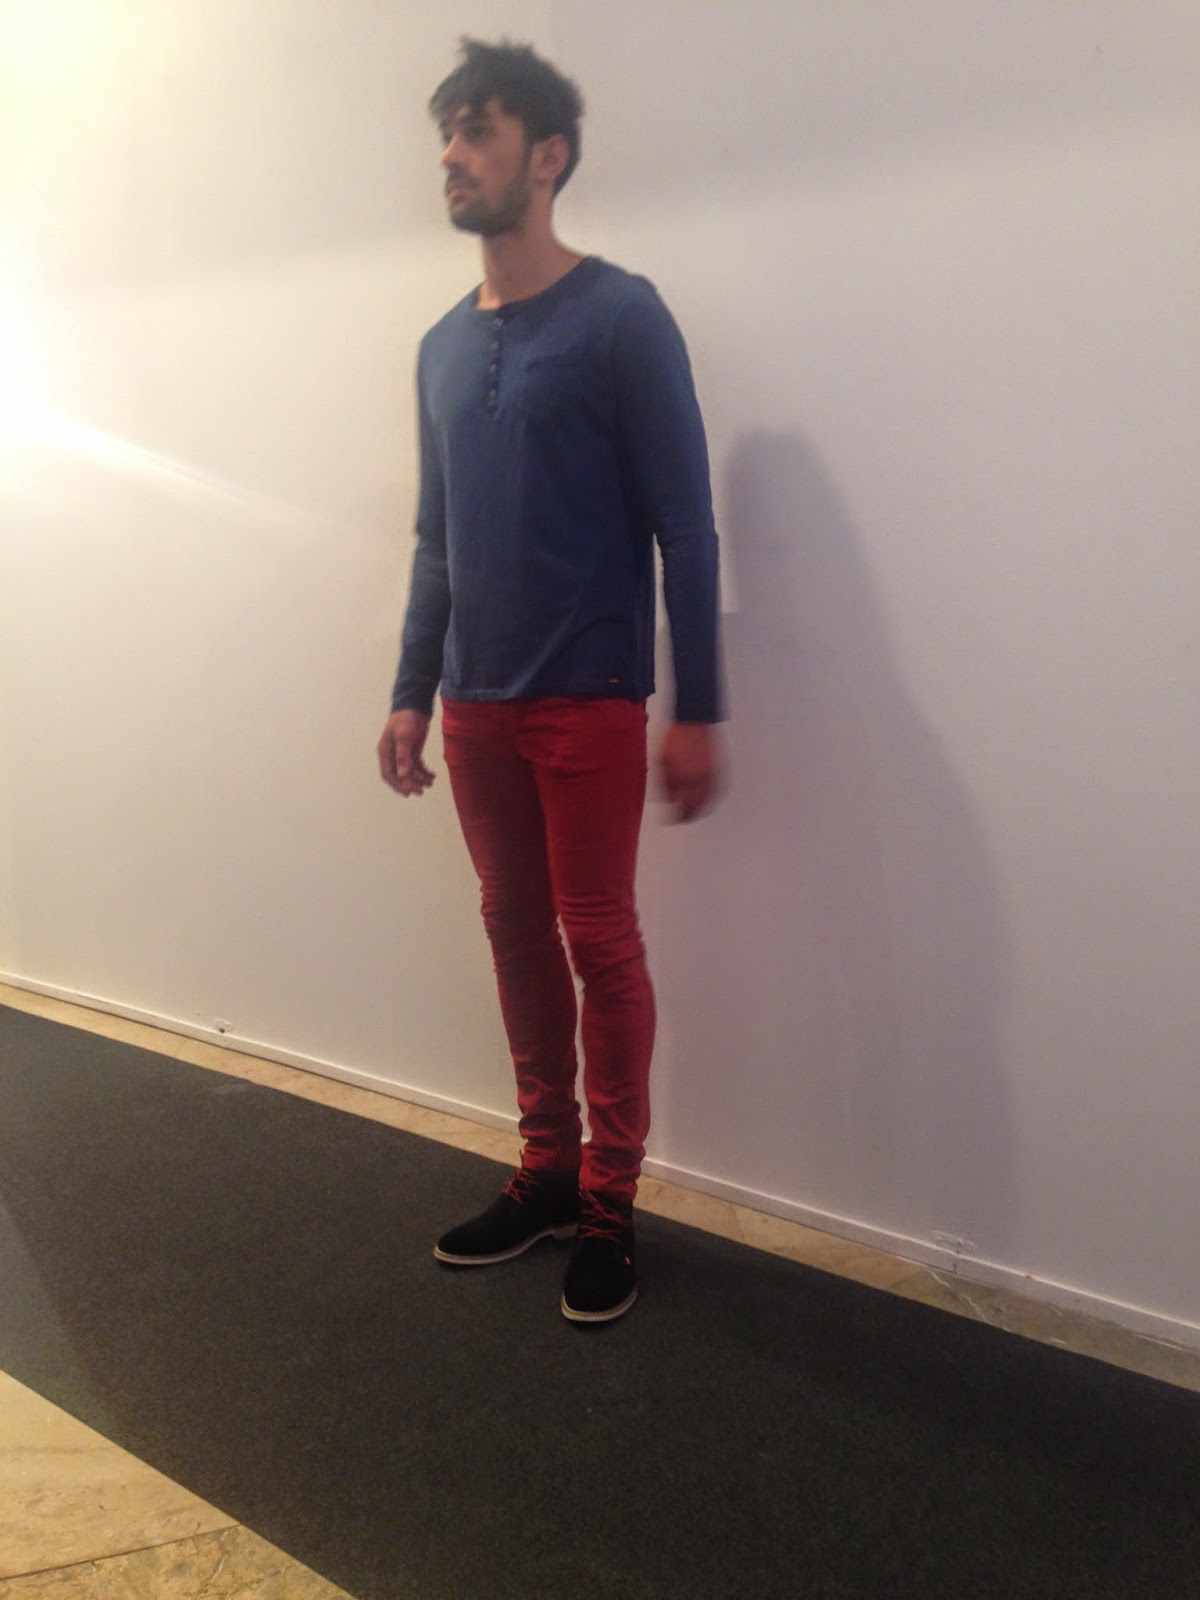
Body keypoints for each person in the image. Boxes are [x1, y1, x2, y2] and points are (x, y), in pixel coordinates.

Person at [377, 37, 724, 1325]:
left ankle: (611, 1203)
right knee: (513, 931)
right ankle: (545, 1171)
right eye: (446, 134)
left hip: (588, 692)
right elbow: (438, 536)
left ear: (548, 155)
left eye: (477, 129)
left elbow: (685, 525)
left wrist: (699, 706)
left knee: (598, 941)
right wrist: (411, 688)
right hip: (474, 704)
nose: (452, 156)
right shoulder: (437, 347)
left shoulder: (622, 316)